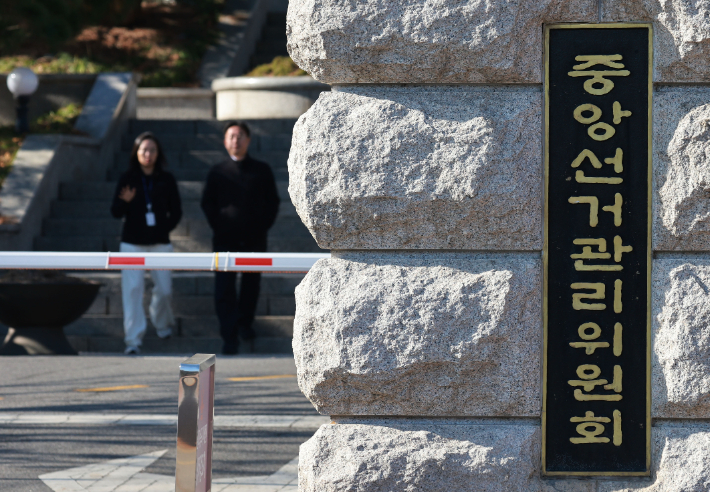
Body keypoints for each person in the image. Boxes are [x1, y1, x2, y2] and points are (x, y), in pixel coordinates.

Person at [201, 121, 280, 354]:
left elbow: (273, 203)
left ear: (248, 140)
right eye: (231, 136)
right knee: (224, 288)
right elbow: (207, 204)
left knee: (251, 285)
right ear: (225, 141)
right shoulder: (217, 171)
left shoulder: (262, 170)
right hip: (225, 240)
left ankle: (245, 323)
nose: (236, 140)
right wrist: (220, 226)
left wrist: (261, 226)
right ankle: (229, 335)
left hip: (255, 240)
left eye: (240, 136)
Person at [111, 132, 182, 355]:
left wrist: (163, 228)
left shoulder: (166, 179)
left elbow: (177, 211)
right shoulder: (128, 178)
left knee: (165, 289)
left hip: (160, 242)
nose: (148, 154)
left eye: (152, 150)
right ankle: (133, 340)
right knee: (132, 290)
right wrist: (126, 202)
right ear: (136, 153)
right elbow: (115, 211)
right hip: (132, 243)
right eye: (143, 150)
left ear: (158, 153)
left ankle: (161, 323)